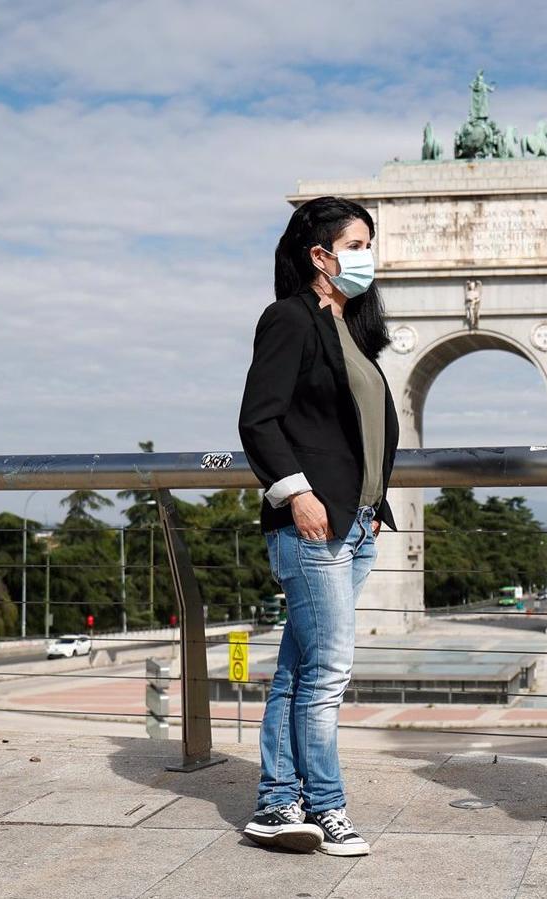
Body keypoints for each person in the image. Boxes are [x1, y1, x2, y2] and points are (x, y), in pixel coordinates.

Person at [237, 196, 399, 858]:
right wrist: (296, 494)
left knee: (300, 670)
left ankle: (279, 803)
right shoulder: (289, 319)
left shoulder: (352, 330)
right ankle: (326, 807)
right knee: (328, 670)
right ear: (321, 255)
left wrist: (374, 506)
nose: (368, 255)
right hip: (312, 525)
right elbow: (259, 418)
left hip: (355, 527)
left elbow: (359, 430)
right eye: (358, 243)